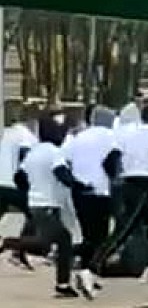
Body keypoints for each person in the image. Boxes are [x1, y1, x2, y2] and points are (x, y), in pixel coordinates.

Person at [89, 104, 148, 291]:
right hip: (142, 184)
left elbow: (110, 159)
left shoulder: (128, 134)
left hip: (135, 184)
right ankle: (91, 269)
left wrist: (115, 177)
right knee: (124, 229)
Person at [1, 115, 90, 298]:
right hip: (48, 204)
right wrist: (80, 186)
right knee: (56, 240)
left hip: (36, 203)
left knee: (52, 240)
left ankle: (63, 285)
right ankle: (8, 243)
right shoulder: (54, 152)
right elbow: (62, 174)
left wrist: (33, 188)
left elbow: (19, 177)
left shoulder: (34, 152)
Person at [63, 105, 121, 296]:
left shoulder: (80, 137)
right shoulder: (110, 136)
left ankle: (85, 270)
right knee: (101, 236)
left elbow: (66, 159)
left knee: (87, 233)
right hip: (100, 190)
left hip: (79, 191)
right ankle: (90, 272)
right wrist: (115, 180)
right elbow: (112, 162)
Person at [0, 106, 39, 269]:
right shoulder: (25, 134)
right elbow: (25, 156)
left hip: (1, 182)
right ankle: (19, 250)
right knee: (34, 214)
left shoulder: (5, 133)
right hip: (14, 184)